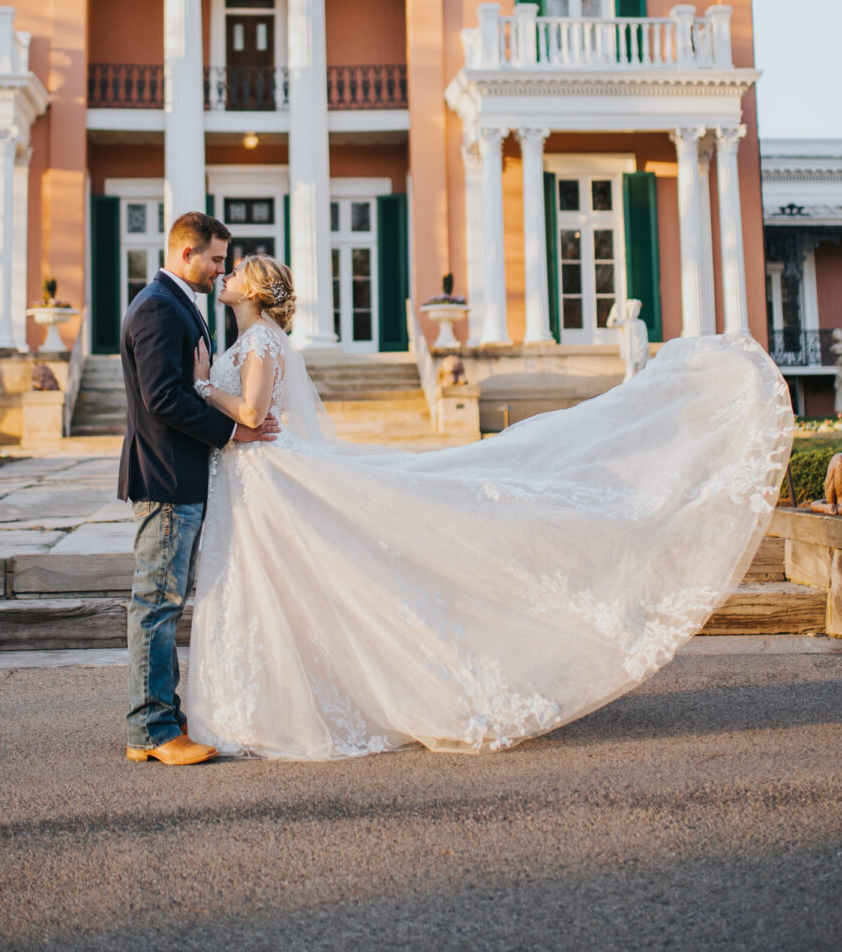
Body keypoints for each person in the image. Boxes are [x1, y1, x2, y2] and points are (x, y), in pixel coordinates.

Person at [184, 253, 793, 761]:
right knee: (271, 587)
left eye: (236, 270)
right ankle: (270, 704)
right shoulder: (250, 336)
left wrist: (204, 385)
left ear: (256, 290)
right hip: (254, 477)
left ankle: (281, 710)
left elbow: (254, 415)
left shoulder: (260, 337)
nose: (226, 273)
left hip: (266, 471)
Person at [119, 211, 278, 766]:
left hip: (179, 473)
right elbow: (164, 396)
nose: (220, 270)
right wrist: (236, 430)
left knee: (162, 600)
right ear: (187, 254)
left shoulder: (172, 302)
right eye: (214, 259)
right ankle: (153, 731)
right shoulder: (160, 308)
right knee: (157, 603)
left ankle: (161, 716)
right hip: (167, 476)